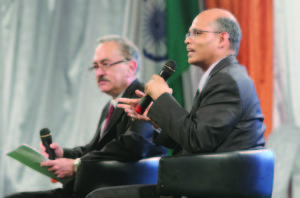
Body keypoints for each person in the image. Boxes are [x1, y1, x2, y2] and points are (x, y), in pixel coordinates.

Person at [86, 8, 266, 198]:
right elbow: (195, 136)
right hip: (203, 182)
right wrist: (154, 119)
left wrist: (163, 97)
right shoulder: (222, 76)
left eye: (196, 33)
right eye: (188, 34)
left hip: (213, 187)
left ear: (222, 39)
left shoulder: (227, 80)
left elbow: (198, 142)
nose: (187, 40)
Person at [5, 35, 167, 198]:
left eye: (105, 64)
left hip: (118, 191)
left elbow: (132, 146)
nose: (99, 73)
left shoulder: (144, 99)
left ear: (131, 67)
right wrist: (64, 154)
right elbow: (96, 150)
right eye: (95, 66)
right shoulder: (111, 105)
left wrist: (76, 165)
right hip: (93, 188)